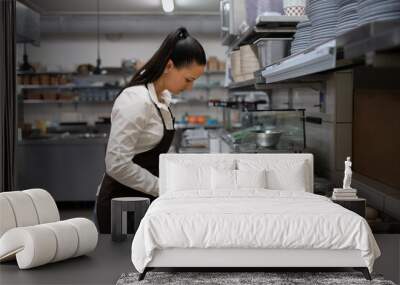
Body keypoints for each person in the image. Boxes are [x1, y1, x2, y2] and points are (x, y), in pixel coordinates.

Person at [96, 27, 206, 233]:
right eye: (188, 79)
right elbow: (116, 163)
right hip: (122, 206)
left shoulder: (163, 99)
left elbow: (158, 151)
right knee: (122, 264)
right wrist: (162, 187)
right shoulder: (136, 100)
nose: (190, 87)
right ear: (169, 66)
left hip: (146, 202)